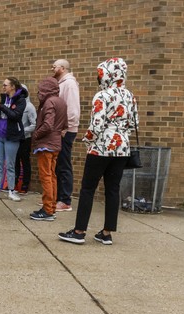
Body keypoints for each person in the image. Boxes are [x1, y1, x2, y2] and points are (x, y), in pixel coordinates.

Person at [59, 58, 139, 245]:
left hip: (100, 148)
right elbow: (135, 123)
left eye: (100, 73)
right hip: (122, 149)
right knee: (112, 189)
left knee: (88, 189)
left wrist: (87, 139)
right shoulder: (130, 96)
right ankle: (106, 232)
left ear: (107, 75)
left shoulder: (102, 95)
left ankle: (79, 232)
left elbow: (97, 124)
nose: (98, 76)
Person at [30, 77, 68, 221]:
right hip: (56, 143)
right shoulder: (61, 102)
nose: (39, 91)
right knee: (52, 176)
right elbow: (65, 124)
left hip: (46, 144)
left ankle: (47, 210)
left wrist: (35, 135)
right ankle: (50, 208)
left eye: (41, 88)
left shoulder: (49, 102)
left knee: (46, 177)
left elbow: (47, 125)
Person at [0, 77, 27, 202]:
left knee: (10, 165)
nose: (3, 87)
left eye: (5, 85)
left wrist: (2, 107)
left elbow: (15, 116)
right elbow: (0, 116)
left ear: (13, 86)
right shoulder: (4, 98)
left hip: (12, 137)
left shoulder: (21, 100)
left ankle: (11, 190)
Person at [52, 59, 80, 212]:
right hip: (60, 130)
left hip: (66, 131)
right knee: (58, 164)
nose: (52, 68)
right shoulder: (62, 83)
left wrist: (66, 128)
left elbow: (73, 109)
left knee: (64, 165)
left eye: (54, 66)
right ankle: (57, 198)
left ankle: (65, 200)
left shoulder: (69, 84)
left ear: (62, 68)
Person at [14, 84, 37, 195]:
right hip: (14, 139)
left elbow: (34, 124)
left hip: (25, 139)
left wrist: (22, 131)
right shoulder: (14, 105)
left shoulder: (29, 106)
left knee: (25, 161)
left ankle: (25, 184)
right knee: (15, 162)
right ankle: (14, 183)